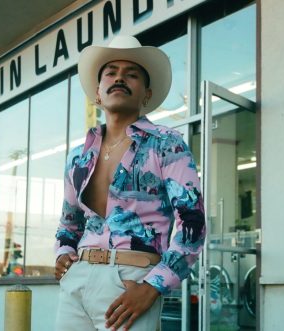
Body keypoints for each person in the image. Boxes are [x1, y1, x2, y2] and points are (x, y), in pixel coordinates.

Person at [54, 35, 205, 331]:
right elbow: (68, 223)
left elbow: (192, 222)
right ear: (98, 93)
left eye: (131, 74)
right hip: (78, 281)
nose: (120, 78)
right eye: (111, 72)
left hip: (132, 279)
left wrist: (153, 287)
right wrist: (62, 253)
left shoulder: (166, 144)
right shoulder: (78, 157)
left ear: (146, 94)